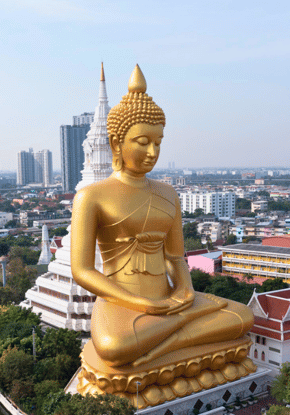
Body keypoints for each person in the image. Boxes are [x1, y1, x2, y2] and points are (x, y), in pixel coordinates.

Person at [71, 65, 253, 369]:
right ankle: (181, 330)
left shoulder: (168, 192)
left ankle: (166, 344)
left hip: (170, 299)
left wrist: (185, 290)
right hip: (123, 302)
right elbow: (83, 271)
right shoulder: (91, 196)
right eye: (143, 142)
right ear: (117, 143)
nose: (153, 151)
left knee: (242, 316)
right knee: (114, 347)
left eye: (158, 142)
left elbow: (175, 256)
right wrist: (144, 304)